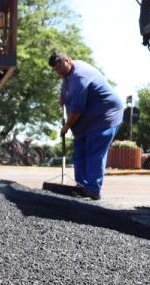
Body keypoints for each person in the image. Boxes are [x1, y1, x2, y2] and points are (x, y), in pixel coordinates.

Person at [50, 51, 123, 200]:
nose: (59, 72)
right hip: (86, 123)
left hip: (104, 118)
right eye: (56, 70)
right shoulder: (68, 74)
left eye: (60, 68)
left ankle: (92, 190)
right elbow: (66, 85)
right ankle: (81, 187)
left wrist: (66, 127)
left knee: (94, 153)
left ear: (68, 61)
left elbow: (77, 110)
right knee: (79, 153)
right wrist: (63, 96)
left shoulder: (80, 76)